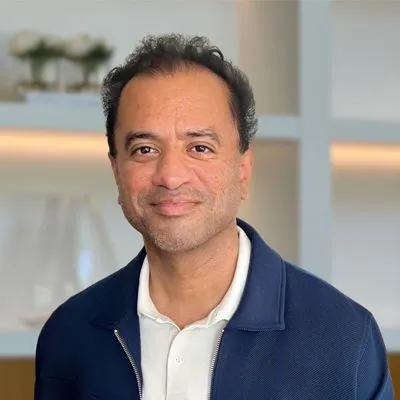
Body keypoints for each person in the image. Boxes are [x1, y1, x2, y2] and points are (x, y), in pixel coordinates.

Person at [34, 33, 394, 400]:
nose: (171, 176)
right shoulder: (70, 335)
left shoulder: (343, 339)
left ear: (243, 169)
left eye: (200, 148)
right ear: (117, 171)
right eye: (144, 149)